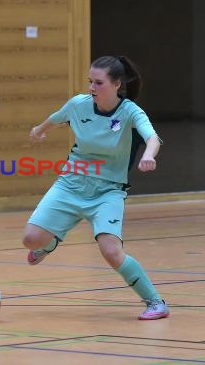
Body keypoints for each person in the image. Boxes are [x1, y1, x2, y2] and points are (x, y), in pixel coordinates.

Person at [23, 55, 169, 320]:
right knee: (30, 239)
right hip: (71, 182)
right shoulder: (79, 105)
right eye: (90, 81)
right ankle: (50, 243)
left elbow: (152, 136)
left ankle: (155, 303)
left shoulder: (129, 112)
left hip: (108, 191)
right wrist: (39, 130)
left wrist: (149, 155)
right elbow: (55, 118)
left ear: (116, 85)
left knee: (111, 252)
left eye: (98, 82)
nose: (92, 87)